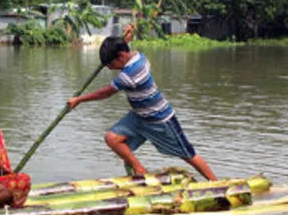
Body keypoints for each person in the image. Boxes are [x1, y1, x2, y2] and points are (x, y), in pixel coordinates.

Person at [66, 25, 217, 181]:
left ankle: (215, 183)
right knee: (113, 139)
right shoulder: (139, 56)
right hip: (139, 117)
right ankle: (140, 171)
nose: (110, 69)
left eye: (111, 65)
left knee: (188, 154)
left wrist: (79, 100)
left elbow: (106, 92)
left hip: (160, 120)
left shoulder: (131, 73)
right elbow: (124, 52)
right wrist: (126, 40)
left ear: (121, 56)